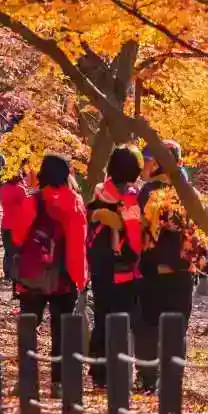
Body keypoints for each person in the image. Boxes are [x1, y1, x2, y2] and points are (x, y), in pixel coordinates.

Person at [4, 153, 86, 391]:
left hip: (34, 275)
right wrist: (79, 278)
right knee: (62, 331)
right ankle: (60, 382)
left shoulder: (33, 200)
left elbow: (18, 236)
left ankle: (27, 380)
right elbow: (77, 244)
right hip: (64, 277)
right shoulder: (75, 202)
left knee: (29, 326)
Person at [136, 139, 198, 390]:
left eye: (150, 160)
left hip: (156, 271)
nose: (146, 165)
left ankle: (148, 379)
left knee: (150, 327)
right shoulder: (189, 193)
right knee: (175, 328)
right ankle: (172, 381)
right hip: (181, 272)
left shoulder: (148, 193)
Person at [87, 146, 144, 385]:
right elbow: (134, 236)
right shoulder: (131, 195)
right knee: (121, 318)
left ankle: (98, 371)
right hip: (123, 266)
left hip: (100, 262)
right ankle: (118, 373)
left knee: (102, 314)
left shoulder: (101, 191)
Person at [0, 160, 34, 281]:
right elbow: (26, 206)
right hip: (17, 225)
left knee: (8, 251)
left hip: (5, 224)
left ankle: (7, 273)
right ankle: (16, 274)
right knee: (17, 251)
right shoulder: (20, 190)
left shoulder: (3, 189)